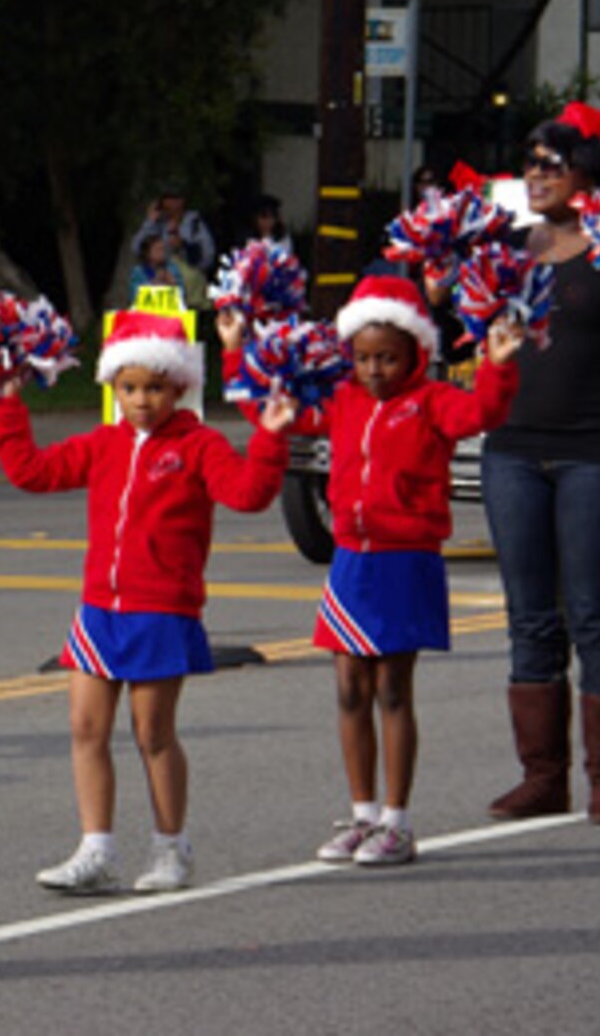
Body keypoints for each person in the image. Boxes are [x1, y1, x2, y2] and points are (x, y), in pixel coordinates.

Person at [0, 312, 292, 894]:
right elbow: (30, 472)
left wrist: (272, 436)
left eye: (154, 387)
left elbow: (249, 494)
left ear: (179, 386)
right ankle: (95, 849)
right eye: (129, 388)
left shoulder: (199, 445)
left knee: (152, 732)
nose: (142, 400)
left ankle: (171, 849)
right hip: (100, 608)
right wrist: (6, 402)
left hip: (162, 608)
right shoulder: (102, 445)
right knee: (84, 727)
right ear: (112, 389)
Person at [222, 278, 522, 865]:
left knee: (391, 688)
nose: (374, 369)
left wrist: (498, 364)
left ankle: (397, 820)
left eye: (387, 357)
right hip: (351, 562)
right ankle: (360, 815)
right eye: (362, 358)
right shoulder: (341, 399)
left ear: (415, 352)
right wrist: (236, 349)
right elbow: (265, 408)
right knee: (348, 688)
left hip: (405, 560)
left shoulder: (432, 401)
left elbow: (482, 412)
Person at [482, 103, 600, 826]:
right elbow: (459, 326)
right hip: (513, 450)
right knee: (530, 618)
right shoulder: (509, 248)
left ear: (587, 170)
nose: (534, 173)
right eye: (528, 161)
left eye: (551, 161)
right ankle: (542, 776)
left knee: (595, 614)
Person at [129, 184, 217, 275]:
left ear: (181, 201)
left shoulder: (194, 222)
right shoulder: (157, 223)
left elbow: (208, 258)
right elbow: (136, 248)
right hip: (157, 280)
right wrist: (150, 221)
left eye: (173, 198)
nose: (169, 203)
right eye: (166, 198)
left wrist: (184, 246)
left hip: (184, 280)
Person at [127, 232, 180, 304]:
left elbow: (181, 295)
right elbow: (134, 296)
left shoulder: (172, 268)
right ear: (147, 253)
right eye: (158, 249)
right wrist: (155, 282)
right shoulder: (138, 272)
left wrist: (173, 284)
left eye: (163, 249)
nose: (162, 253)